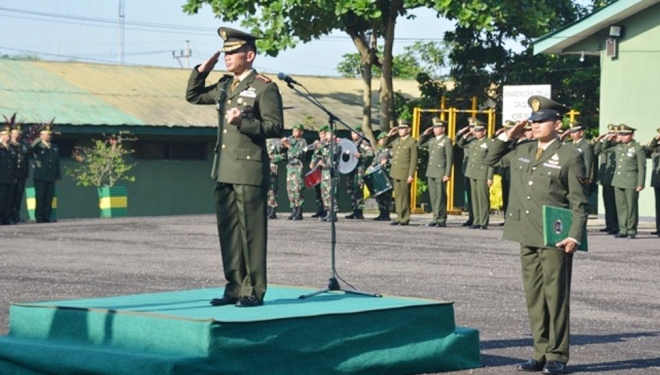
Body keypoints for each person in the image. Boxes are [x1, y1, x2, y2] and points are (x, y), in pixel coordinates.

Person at [486, 95, 588, 375]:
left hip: (554, 236)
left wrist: (574, 236)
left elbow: (579, 202)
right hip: (525, 233)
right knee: (534, 297)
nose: (536, 126)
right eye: (533, 122)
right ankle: (539, 353)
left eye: (542, 121)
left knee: (556, 297)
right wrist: (509, 135)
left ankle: (557, 355)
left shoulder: (570, 156)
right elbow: (489, 158)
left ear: (556, 123)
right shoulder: (523, 149)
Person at [185, 27, 284, 307]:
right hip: (224, 168)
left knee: (251, 231)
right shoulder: (224, 85)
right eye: (225, 53)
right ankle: (234, 287)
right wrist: (202, 70)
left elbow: (275, 127)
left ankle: (254, 290)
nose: (227, 57)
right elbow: (193, 96)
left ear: (249, 55)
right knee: (228, 231)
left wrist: (243, 121)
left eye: (233, 52)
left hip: (249, 169)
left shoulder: (265, 87)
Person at [598, 124, 646, 239]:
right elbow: (603, 149)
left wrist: (640, 183)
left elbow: (642, 167)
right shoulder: (618, 147)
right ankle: (623, 229)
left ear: (631, 135)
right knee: (621, 207)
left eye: (625, 134)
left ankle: (631, 229)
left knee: (631, 206)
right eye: (621, 134)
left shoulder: (638, 148)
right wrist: (609, 139)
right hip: (618, 180)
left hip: (631, 181)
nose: (622, 137)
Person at [457, 118, 493, 229]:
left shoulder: (489, 143)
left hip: (482, 173)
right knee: (474, 198)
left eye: (478, 130)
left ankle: (483, 222)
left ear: (484, 131)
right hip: (471, 172)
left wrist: (490, 177)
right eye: (475, 130)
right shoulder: (472, 142)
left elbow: (491, 161)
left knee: (482, 198)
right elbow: (460, 143)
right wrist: (467, 133)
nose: (476, 132)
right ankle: (476, 221)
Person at [417, 117, 453, 227]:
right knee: (433, 196)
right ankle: (435, 217)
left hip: (441, 171)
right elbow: (419, 144)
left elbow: (449, 158)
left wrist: (447, 174)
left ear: (443, 128)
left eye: (437, 127)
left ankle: (441, 219)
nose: (435, 129)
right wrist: (424, 134)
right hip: (431, 171)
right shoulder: (432, 140)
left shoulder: (446, 140)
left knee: (440, 196)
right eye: (434, 127)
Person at [383, 119, 417, 226]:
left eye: (403, 128)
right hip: (396, 171)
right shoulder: (397, 140)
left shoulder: (411, 141)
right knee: (397, 196)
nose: (400, 131)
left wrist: (411, 174)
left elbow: (413, 160)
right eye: (399, 129)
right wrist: (389, 135)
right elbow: (384, 145)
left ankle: (405, 217)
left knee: (405, 196)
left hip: (405, 172)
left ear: (408, 129)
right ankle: (399, 216)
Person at [30, 124, 61, 224]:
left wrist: (58, 176)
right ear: (41, 135)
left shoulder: (54, 147)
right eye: (46, 134)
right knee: (40, 197)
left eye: (50, 135)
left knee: (49, 198)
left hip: (51, 176)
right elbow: (31, 148)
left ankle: (47, 216)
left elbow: (56, 163)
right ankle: (39, 216)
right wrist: (38, 139)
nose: (49, 136)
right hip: (40, 176)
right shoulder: (38, 147)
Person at [594, 124, 619, 234]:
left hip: (614, 178)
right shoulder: (607, 145)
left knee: (614, 204)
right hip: (605, 178)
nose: (611, 136)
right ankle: (609, 224)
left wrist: (609, 141)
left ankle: (615, 226)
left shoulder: (618, 146)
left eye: (613, 134)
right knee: (607, 203)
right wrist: (601, 139)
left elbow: (604, 149)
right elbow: (596, 150)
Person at [345, 126, 374, 219]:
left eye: (355, 133)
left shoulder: (364, 143)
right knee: (350, 189)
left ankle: (360, 211)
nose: (353, 135)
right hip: (350, 169)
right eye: (352, 133)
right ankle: (354, 210)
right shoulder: (350, 144)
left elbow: (370, 154)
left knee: (358, 188)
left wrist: (361, 155)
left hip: (359, 169)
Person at [281, 124, 307, 220]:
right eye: (293, 130)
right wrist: (282, 144)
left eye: (296, 131)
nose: (294, 133)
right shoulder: (290, 139)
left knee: (298, 189)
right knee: (290, 189)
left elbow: (300, 153)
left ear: (301, 132)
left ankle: (299, 211)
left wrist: (289, 146)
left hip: (297, 167)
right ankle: (293, 210)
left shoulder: (302, 142)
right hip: (290, 167)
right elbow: (282, 150)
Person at [9, 119, 29, 224]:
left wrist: (26, 174)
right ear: (11, 134)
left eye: (20, 133)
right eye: (16, 133)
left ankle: (16, 215)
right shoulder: (9, 145)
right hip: (11, 175)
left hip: (21, 174)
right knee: (10, 196)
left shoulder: (23, 145)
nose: (18, 135)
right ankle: (9, 216)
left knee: (18, 196)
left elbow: (26, 160)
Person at [370, 132, 392, 221]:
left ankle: (386, 214)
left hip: (386, 174)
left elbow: (394, 161)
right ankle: (381, 212)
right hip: (378, 174)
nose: (381, 141)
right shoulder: (379, 151)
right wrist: (372, 166)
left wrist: (387, 162)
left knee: (386, 195)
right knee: (380, 195)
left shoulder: (390, 150)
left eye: (383, 139)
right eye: (380, 140)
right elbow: (374, 161)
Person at [0, 125, 18, 225]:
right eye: (6, 135)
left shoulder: (11, 148)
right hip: (1, 178)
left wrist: (15, 176)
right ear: (1, 136)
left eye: (9, 135)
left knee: (9, 199)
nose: (9, 137)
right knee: (1, 199)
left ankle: (7, 218)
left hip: (10, 178)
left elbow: (14, 164)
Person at [309, 126, 327, 218]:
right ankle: (320, 209)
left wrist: (320, 146)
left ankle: (325, 210)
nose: (321, 136)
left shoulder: (325, 144)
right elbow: (314, 155)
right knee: (317, 190)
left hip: (324, 168)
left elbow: (325, 153)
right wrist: (312, 162)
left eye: (323, 134)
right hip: (316, 169)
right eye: (320, 134)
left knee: (324, 190)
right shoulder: (318, 144)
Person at [646, 127, 660, 237]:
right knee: (658, 206)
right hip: (657, 180)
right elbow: (647, 151)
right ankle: (659, 228)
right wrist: (655, 139)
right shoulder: (656, 148)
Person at [266, 138, 284, 219]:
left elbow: (284, 155)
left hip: (272, 167)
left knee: (272, 189)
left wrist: (271, 158)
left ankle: (272, 209)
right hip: (262, 166)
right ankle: (266, 209)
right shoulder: (263, 140)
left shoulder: (277, 142)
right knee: (265, 189)